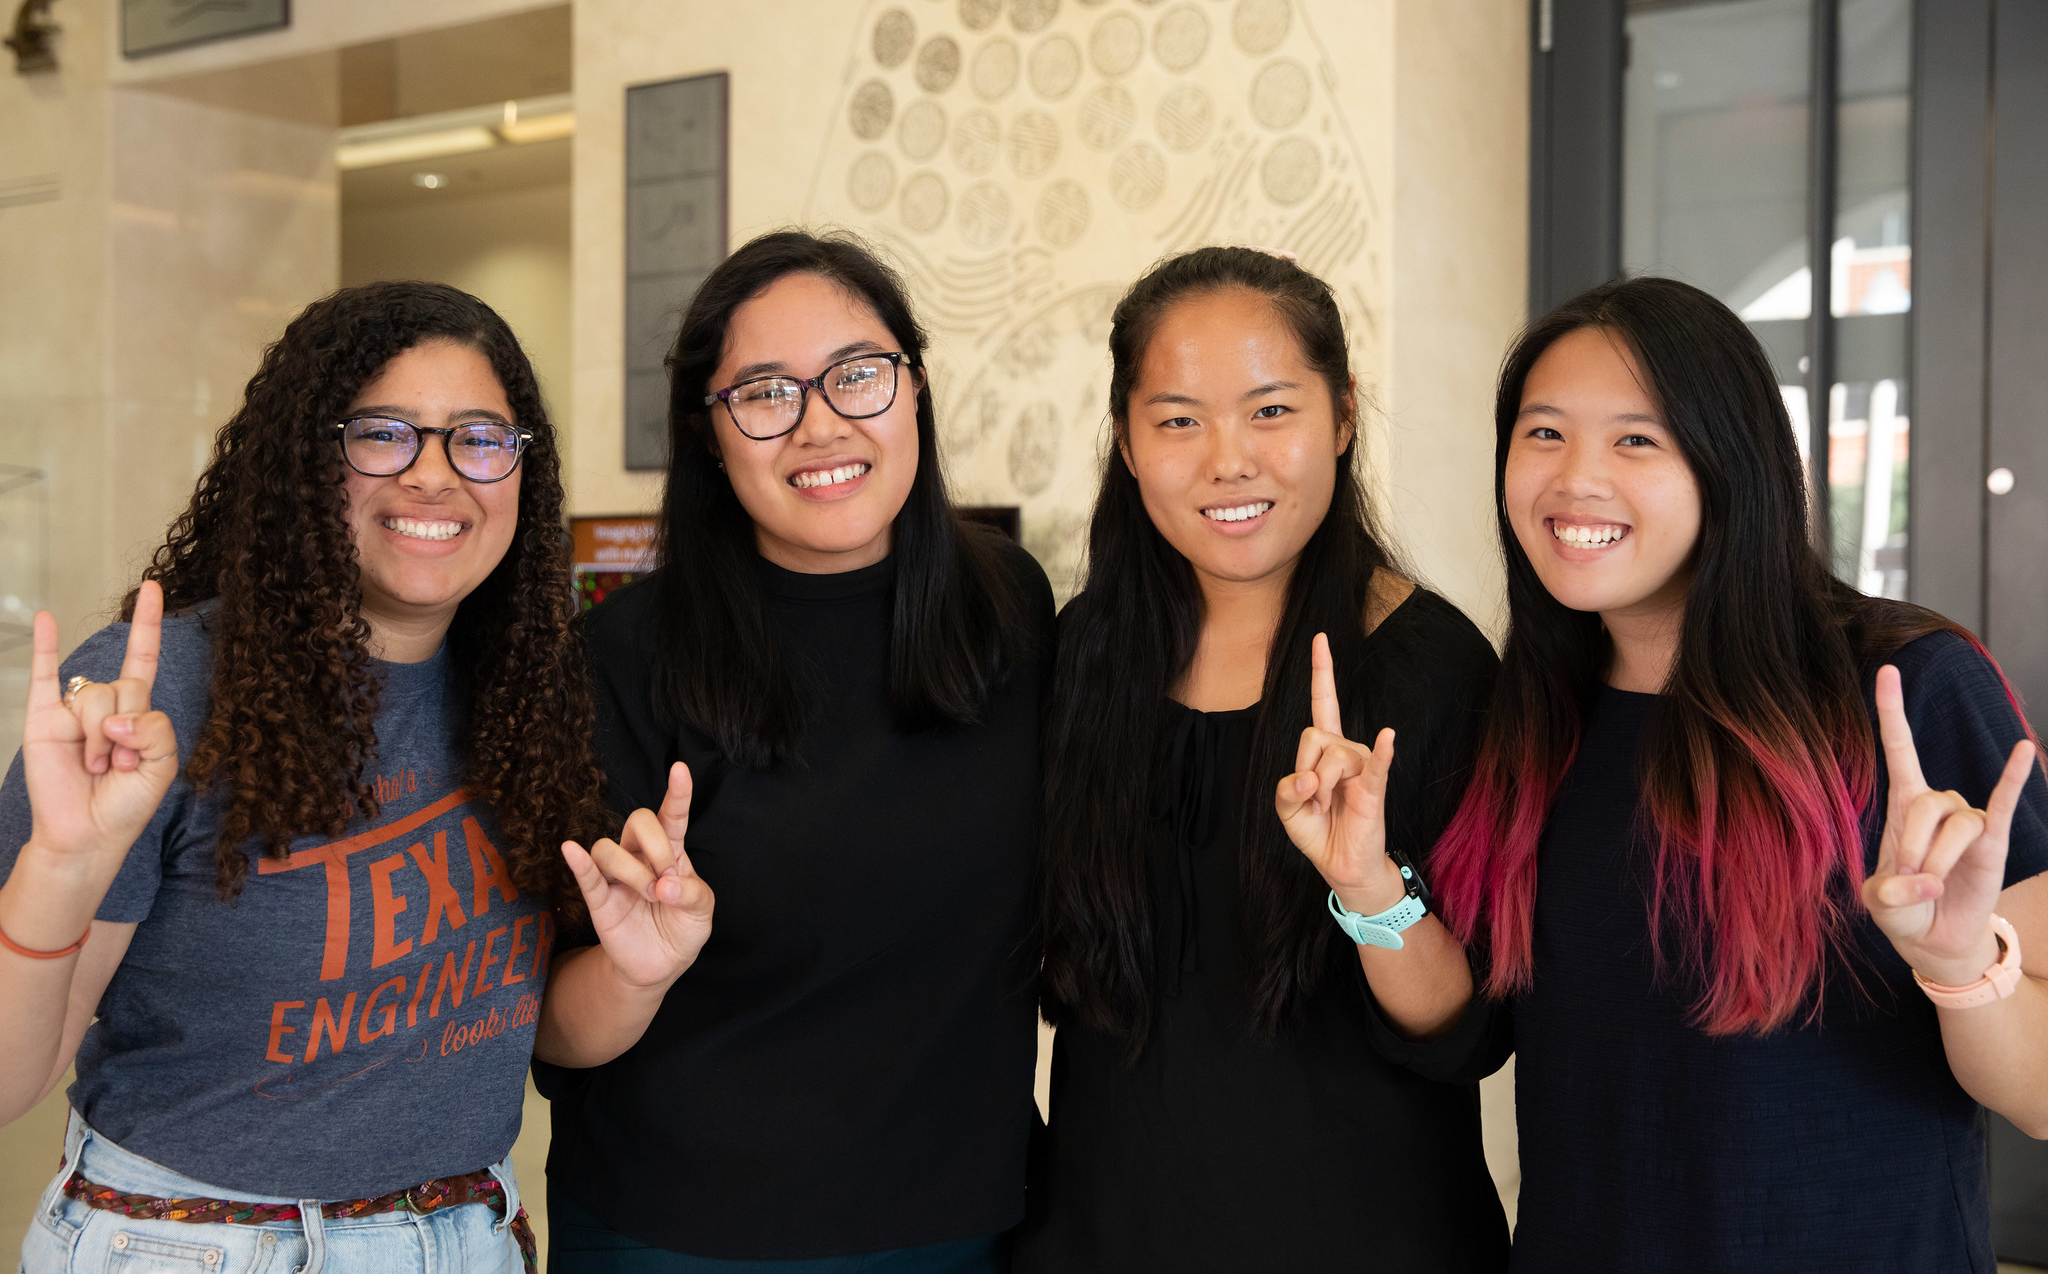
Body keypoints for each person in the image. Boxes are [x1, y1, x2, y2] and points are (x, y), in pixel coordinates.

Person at [0, 281, 704, 1274]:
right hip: (186, 1247)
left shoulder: (524, 694)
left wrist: (641, 970)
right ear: (306, 461)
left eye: (479, 438)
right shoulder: (166, 693)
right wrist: (62, 863)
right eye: (384, 435)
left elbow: (523, 1031)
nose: (434, 476)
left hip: (466, 1237)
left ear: (520, 473)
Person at [1429, 275, 2048, 1271]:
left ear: (1730, 462)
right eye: (1542, 434)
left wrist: (1957, 961)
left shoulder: (1907, 689)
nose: (1573, 478)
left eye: (1636, 439)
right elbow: (1482, 1032)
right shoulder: (1527, 714)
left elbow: (2040, 1093)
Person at [537, 230, 1054, 1272]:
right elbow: (552, 1031)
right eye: (765, 393)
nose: (820, 426)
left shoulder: (1010, 606)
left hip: (961, 1221)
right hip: (681, 1234)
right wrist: (638, 974)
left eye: (858, 376)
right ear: (710, 433)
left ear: (913, 389)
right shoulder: (622, 655)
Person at [1016, 246, 1510, 1272]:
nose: (1225, 460)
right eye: (1177, 420)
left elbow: (1466, 1030)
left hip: (1370, 1240)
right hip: (1112, 1236)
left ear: (1342, 415)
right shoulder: (1078, 655)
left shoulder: (1431, 667)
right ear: (1125, 441)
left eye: (1270, 411)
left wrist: (1369, 885)